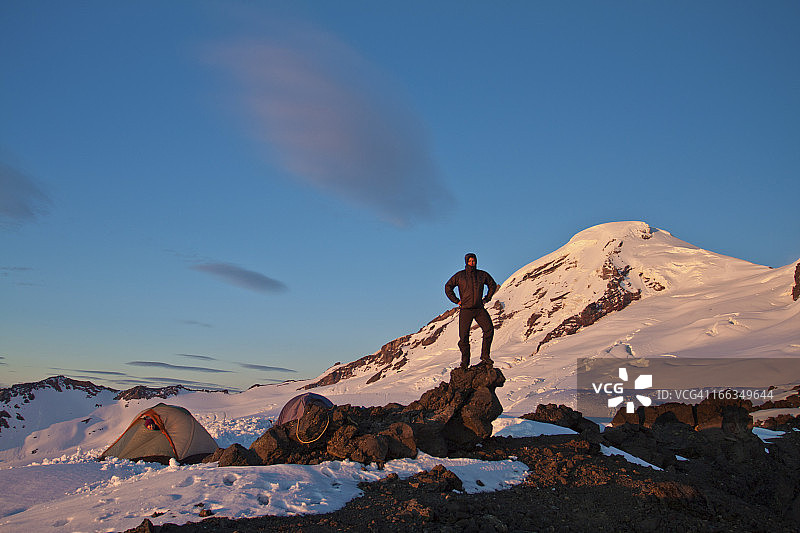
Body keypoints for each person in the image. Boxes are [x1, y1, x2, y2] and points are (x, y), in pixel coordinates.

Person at [445, 253, 498, 368]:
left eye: (473, 261)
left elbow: (492, 285)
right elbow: (448, 287)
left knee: (489, 330)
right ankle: (465, 362)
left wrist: (487, 298)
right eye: (470, 261)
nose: (472, 263)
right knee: (463, 337)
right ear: (466, 262)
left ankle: (485, 357)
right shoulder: (460, 276)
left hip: (479, 308)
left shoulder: (481, 275)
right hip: (465, 310)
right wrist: (457, 301)